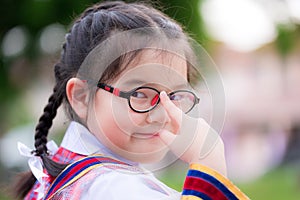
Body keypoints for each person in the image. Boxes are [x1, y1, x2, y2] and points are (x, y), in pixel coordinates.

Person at [14, 1, 249, 199]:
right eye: (139, 94)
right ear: (82, 97)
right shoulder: (116, 188)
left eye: (175, 96)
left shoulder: (60, 173)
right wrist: (208, 163)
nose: (161, 114)